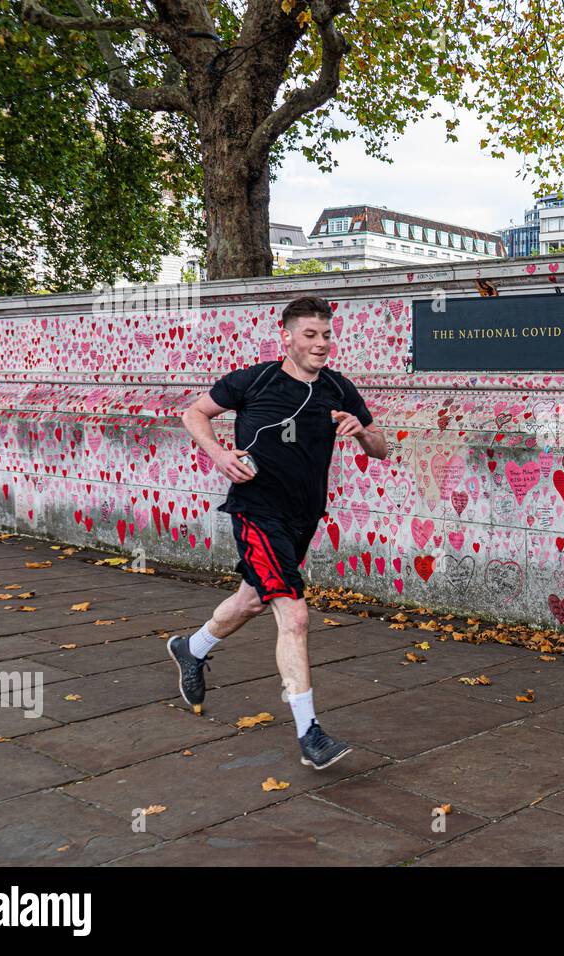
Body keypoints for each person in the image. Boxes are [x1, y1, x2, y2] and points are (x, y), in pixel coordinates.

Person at [172, 295, 388, 769]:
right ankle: (310, 733)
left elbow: (381, 448)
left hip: (303, 516)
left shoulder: (338, 388)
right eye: (310, 335)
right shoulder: (255, 380)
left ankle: (192, 648)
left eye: (327, 334)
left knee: (251, 600)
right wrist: (220, 454)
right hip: (256, 510)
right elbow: (194, 413)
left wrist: (362, 431)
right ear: (286, 337)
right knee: (294, 616)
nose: (321, 343)